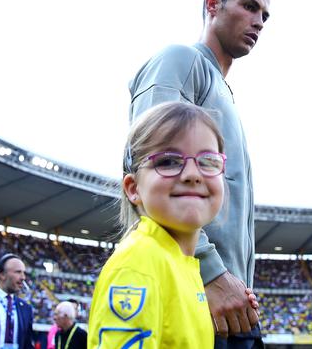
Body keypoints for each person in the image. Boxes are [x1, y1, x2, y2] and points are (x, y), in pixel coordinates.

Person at [128, 0, 273, 348]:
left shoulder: (224, 92)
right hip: (197, 289)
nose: (258, 21)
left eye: (265, 16)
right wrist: (210, 272)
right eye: (249, 6)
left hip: (232, 300)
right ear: (212, 5)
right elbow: (151, 164)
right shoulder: (181, 60)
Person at [89, 102, 243, 347]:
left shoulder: (187, 267)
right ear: (133, 188)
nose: (193, 174)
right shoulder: (138, 264)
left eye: (208, 161)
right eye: (168, 161)